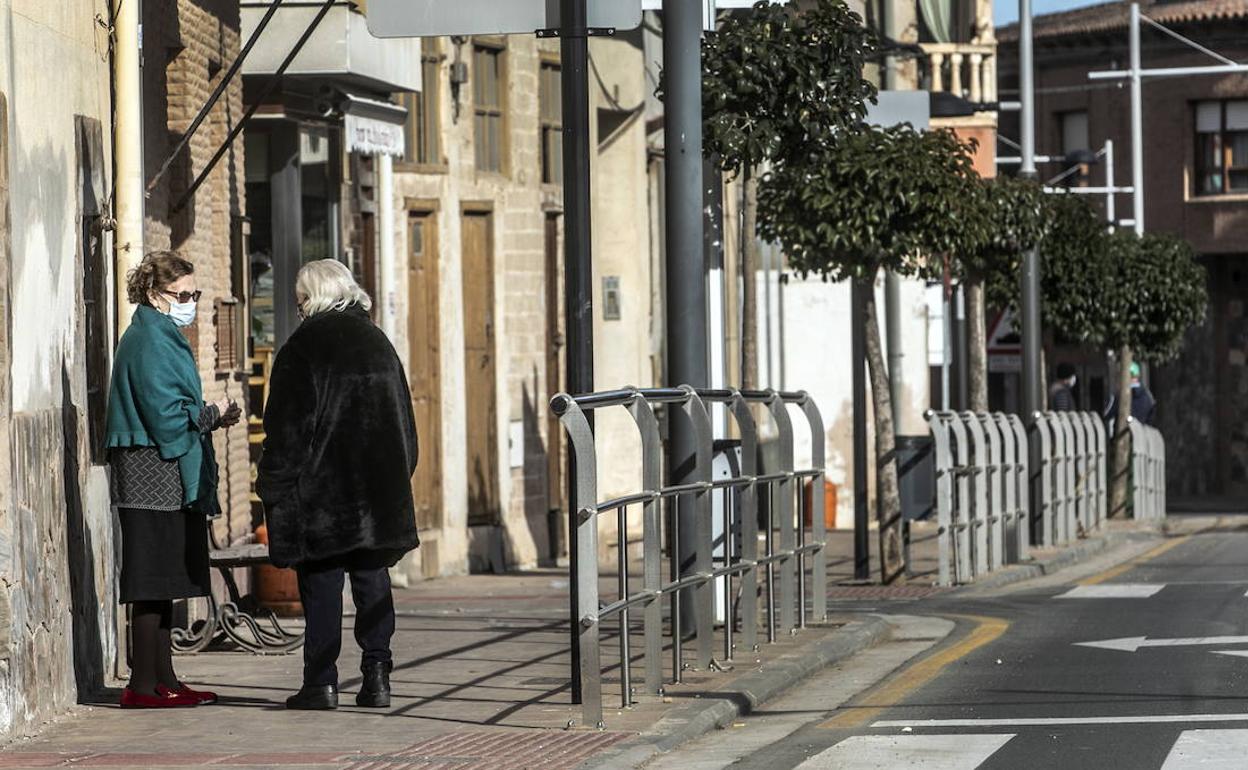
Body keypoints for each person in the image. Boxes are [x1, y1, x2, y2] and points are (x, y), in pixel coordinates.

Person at [257, 259, 419, 711]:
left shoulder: (301, 348)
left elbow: (286, 432)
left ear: (312, 298)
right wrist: (396, 475)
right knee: (373, 580)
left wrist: (273, 485)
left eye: (300, 299)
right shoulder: (378, 343)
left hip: (322, 498)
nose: (299, 307)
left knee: (322, 586)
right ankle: (377, 676)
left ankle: (321, 682)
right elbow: (405, 423)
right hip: (376, 494)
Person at [106, 251, 242, 709]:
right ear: (153, 293)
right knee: (151, 578)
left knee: (165, 579)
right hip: (150, 472)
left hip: (164, 473)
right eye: (181, 294)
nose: (189, 302)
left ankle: (164, 678)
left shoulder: (161, 333)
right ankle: (142, 686)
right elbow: (166, 418)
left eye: (194, 294)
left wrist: (208, 420)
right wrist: (212, 416)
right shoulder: (148, 340)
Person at [1105, 361, 1156, 426]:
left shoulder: (1120, 396)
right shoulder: (1148, 397)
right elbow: (1151, 417)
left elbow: (1107, 416)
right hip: (1142, 434)